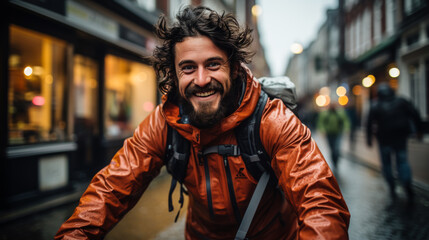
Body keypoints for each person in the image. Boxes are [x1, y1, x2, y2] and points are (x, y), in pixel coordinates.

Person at [55, 6, 350, 239]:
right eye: (187, 68)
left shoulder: (272, 120)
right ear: (174, 74)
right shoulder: (163, 123)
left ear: (233, 68)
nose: (201, 80)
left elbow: (320, 201)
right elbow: (110, 189)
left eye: (213, 64)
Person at [366, 83, 423, 201]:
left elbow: (369, 123)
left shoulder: (375, 106)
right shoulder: (401, 101)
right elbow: (415, 114)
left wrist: (369, 139)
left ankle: (391, 185)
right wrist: (419, 130)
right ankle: (406, 182)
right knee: (402, 161)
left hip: (384, 139)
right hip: (400, 137)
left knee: (386, 164)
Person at [317, 103, 350, 169]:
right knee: (332, 149)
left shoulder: (340, 113)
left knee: (336, 148)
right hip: (329, 134)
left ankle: (336, 159)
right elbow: (321, 123)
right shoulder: (325, 114)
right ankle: (334, 161)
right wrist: (322, 130)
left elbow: (345, 121)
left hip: (338, 133)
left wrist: (346, 128)